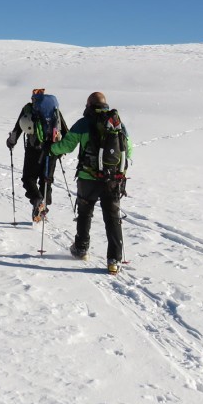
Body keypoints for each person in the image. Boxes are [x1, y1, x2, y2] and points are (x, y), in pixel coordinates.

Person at [50, 92, 133, 274]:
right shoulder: (117, 123)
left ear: (88, 105)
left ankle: (81, 248)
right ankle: (114, 260)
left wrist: (52, 148)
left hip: (88, 178)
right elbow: (129, 149)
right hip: (112, 179)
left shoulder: (84, 123)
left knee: (85, 212)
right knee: (112, 218)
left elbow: (67, 146)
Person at [6, 89, 66, 222]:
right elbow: (65, 131)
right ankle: (44, 205)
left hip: (34, 149)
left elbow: (17, 129)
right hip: (52, 149)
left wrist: (11, 142)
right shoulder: (55, 110)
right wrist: (61, 149)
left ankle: (38, 201)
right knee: (46, 179)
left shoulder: (28, 109)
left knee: (28, 178)